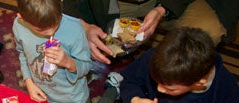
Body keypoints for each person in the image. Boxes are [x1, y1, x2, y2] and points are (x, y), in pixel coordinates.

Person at [62, 0, 238, 64]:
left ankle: (178, 76)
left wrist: (163, 9)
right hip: (114, 4)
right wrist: (82, 26)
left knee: (205, 33)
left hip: (172, 2)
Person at [13, 0, 93, 103]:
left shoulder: (75, 29)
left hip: (72, 100)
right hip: (41, 94)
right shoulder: (18, 26)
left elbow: (87, 65)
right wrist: (28, 81)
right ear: (22, 18)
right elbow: (22, 53)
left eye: (57, 24)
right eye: (41, 30)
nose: (51, 33)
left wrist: (68, 62)